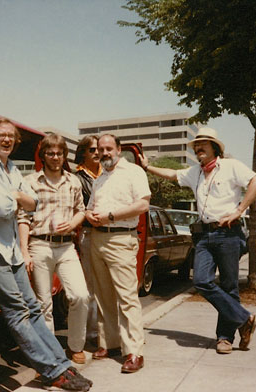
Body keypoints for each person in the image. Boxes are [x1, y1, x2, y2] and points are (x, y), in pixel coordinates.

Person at [0, 118, 92, 391]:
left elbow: (34, 203)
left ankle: (61, 364)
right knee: (18, 312)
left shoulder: (11, 168)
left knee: (33, 308)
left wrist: (17, 196)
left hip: (9, 249)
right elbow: (2, 207)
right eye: (1, 135)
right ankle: (52, 372)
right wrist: (18, 197)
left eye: (11, 136)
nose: (7, 139)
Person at [140, 127, 256, 355]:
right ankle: (244, 319)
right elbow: (171, 174)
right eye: (196, 145)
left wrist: (239, 210)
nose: (198, 148)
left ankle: (225, 338)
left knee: (229, 287)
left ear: (214, 147)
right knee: (201, 281)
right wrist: (147, 167)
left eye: (203, 144)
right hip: (204, 235)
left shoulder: (231, 166)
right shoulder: (195, 172)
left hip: (228, 233)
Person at [18, 133, 90, 364]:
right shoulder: (30, 182)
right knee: (44, 303)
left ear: (64, 155)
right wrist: (25, 251)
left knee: (80, 295)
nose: (55, 157)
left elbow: (82, 210)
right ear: (43, 156)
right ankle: (49, 354)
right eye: (50, 153)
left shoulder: (73, 181)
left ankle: (75, 346)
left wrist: (73, 223)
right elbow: (22, 217)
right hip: (39, 244)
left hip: (66, 246)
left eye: (59, 153)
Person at [85, 134, 150, 373]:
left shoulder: (134, 172)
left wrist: (111, 216)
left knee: (127, 297)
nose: (104, 153)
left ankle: (134, 351)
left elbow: (142, 205)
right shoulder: (99, 177)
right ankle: (109, 343)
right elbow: (91, 206)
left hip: (122, 238)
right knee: (103, 295)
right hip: (97, 238)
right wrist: (89, 214)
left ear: (119, 149)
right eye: (100, 150)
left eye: (108, 149)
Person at [74, 135, 102, 345]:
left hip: (108, 233)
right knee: (90, 285)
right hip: (88, 232)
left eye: (99, 149)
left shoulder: (107, 174)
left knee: (106, 285)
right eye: (92, 150)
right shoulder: (76, 177)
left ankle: (105, 329)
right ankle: (92, 334)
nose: (97, 153)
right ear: (83, 152)